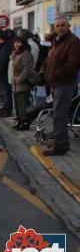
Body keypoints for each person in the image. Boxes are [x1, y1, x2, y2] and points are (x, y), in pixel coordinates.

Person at [40, 16, 80, 156]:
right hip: (55, 83)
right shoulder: (56, 42)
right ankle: (61, 144)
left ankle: (60, 147)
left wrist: (54, 74)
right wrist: (43, 71)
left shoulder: (73, 42)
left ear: (68, 26)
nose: (60, 28)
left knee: (59, 115)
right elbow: (50, 59)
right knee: (58, 115)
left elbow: (73, 64)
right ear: (54, 28)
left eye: (63, 25)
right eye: (58, 26)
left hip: (65, 83)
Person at [10, 37, 34, 131]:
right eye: (15, 42)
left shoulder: (26, 54)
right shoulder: (16, 53)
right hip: (16, 82)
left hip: (23, 83)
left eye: (18, 43)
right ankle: (20, 120)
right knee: (18, 103)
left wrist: (19, 79)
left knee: (23, 103)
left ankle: (25, 122)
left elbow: (27, 68)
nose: (16, 45)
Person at [0, 31, 14, 117]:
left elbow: (3, 61)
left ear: (0, 38)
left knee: (6, 91)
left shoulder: (6, 47)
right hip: (1, 72)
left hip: (4, 73)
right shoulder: (2, 47)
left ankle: (8, 109)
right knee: (5, 92)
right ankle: (5, 107)